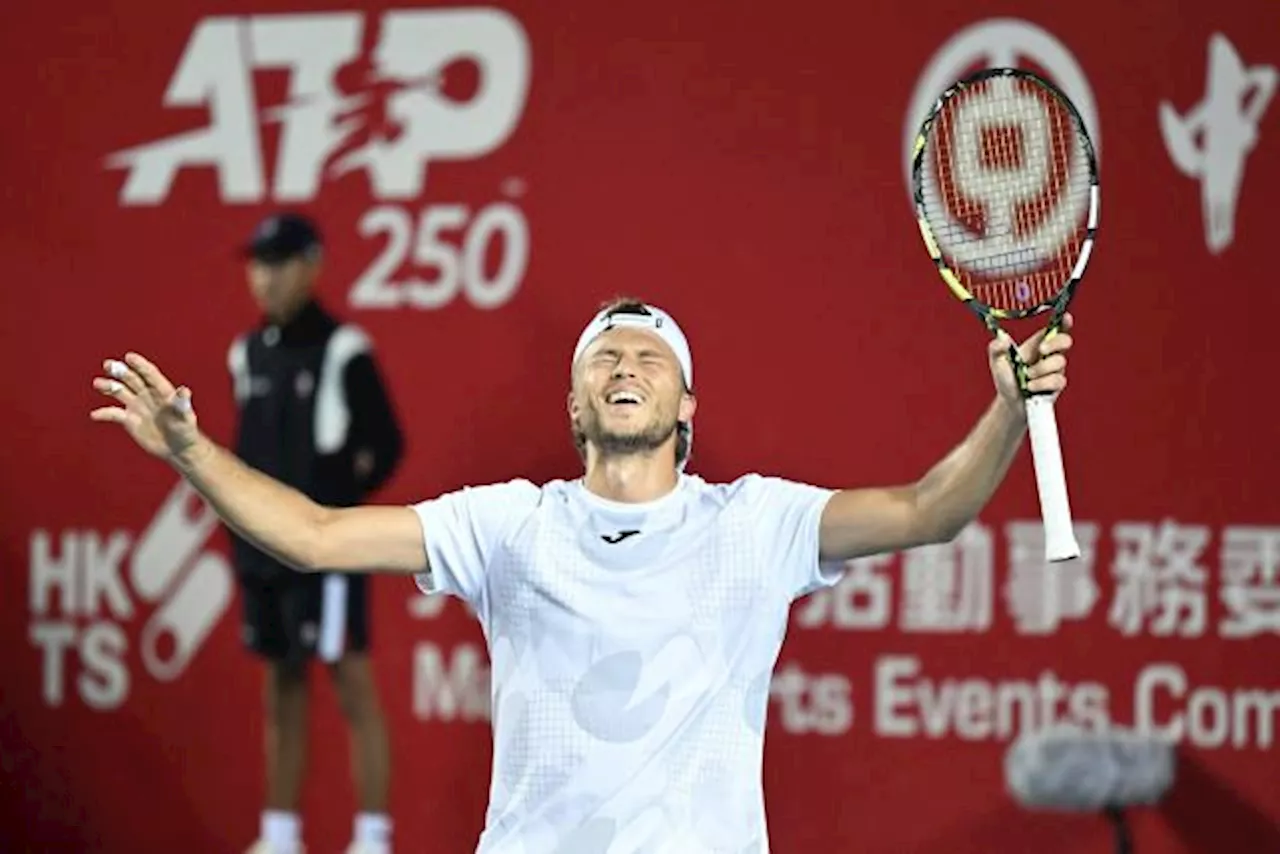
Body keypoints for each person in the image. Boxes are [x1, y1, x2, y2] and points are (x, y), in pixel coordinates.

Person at [90, 296, 1073, 853]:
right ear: (575, 404)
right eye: (603, 354)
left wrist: (1006, 411)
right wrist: (191, 452)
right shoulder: (508, 523)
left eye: (647, 352)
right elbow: (310, 534)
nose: (624, 363)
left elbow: (926, 509)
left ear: (685, 402)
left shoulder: (756, 522)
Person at [226, 212, 405, 854]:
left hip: (328, 554)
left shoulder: (343, 349)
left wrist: (335, 502)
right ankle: (279, 834)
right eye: (257, 263)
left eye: (277, 263)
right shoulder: (245, 354)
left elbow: (385, 445)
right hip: (262, 554)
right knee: (282, 685)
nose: (264, 278)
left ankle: (372, 837)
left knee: (351, 679)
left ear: (312, 266)